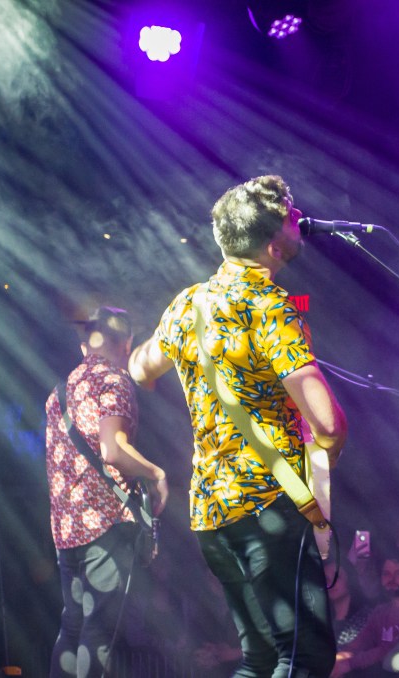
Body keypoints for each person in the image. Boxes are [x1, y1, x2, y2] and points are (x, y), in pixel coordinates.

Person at [128, 175, 347, 677]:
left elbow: (140, 368)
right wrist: (324, 459)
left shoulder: (187, 304)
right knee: (305, 657)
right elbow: (330, 424)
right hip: (269, 506)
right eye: (292, 215)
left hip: (212, 513)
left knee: (262, 658)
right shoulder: (269, 307)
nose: (300, 220)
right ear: (274, 244)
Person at [45, 306, 168, 678]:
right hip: (104, 526)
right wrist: (156, 474)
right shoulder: (114, 380)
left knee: (72, 627)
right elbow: (112, 450)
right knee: (98, 631)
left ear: (85, 345)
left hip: (66, 530)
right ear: (127, 343)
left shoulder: (59, 391)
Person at [333, 551, 399, 677]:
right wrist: (341, 657)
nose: (391, 578)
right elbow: (360, 642)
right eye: (386, 573)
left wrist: (351, 663)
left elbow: (391, 650)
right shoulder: (381, 611)